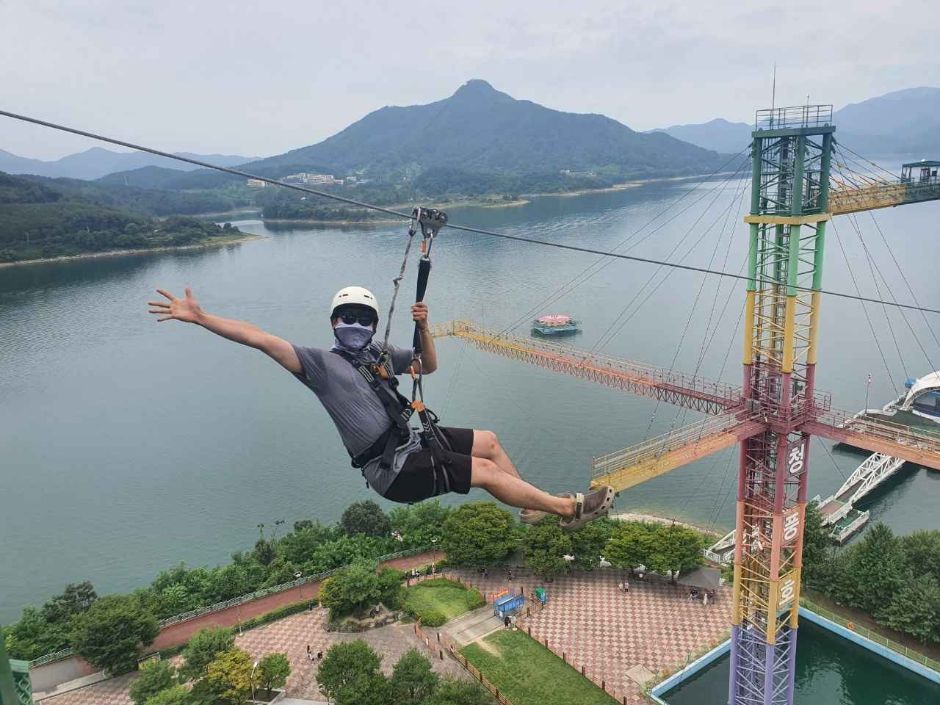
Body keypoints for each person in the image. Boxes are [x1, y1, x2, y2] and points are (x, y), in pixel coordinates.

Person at [147, 286, 613, 529]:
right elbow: (260, 339)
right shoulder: (319, 365)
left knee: (489, 442)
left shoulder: (383, 353)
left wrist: (424, 327)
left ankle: (530, 509)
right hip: (392, 470)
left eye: (364, 318)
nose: (356, 323)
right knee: (486, 473)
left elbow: (428, 366)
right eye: (347, 317)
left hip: (412, 442)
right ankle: (565, 509)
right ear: (333, 321)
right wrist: (203, 318)